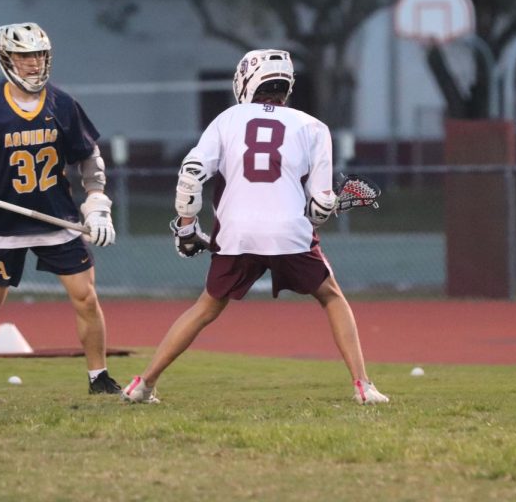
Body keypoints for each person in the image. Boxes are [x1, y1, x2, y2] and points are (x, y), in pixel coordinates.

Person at [121, 49, 389, 406]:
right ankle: (363, 386)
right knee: (331, 296)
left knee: (205, 308)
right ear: (286, 85)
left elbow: (190, 177)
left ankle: (143, 384)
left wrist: (186, 229)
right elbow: (322, 205)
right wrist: (318, 212)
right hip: (289, 231)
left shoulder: (228, 119)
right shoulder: (313, 127)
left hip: (236, 232)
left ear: (246, 81)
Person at [0, 22, 121, 396]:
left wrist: (97, 204)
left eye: (39, 55)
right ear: (6, 58)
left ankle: (99, 377)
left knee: (86, 297)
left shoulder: (63, 104)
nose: (33, 64)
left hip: (56, 218)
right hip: (3, 224)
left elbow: (89, 158)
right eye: (24, 56)